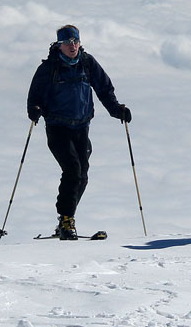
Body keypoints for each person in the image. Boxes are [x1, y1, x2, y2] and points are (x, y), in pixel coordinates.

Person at [26, 25, 132, 240]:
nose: (72, 46)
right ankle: (66, 221)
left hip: (82, 127)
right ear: (59, 45)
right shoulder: (49, 68)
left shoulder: (87, 62)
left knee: (82, 175)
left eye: (75, 41)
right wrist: (34, 110)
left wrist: (116, 110)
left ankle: (65, 220)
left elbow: (104, 89)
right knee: (73, 171)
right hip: (57, 128)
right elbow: (34, 96)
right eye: (67, 42)